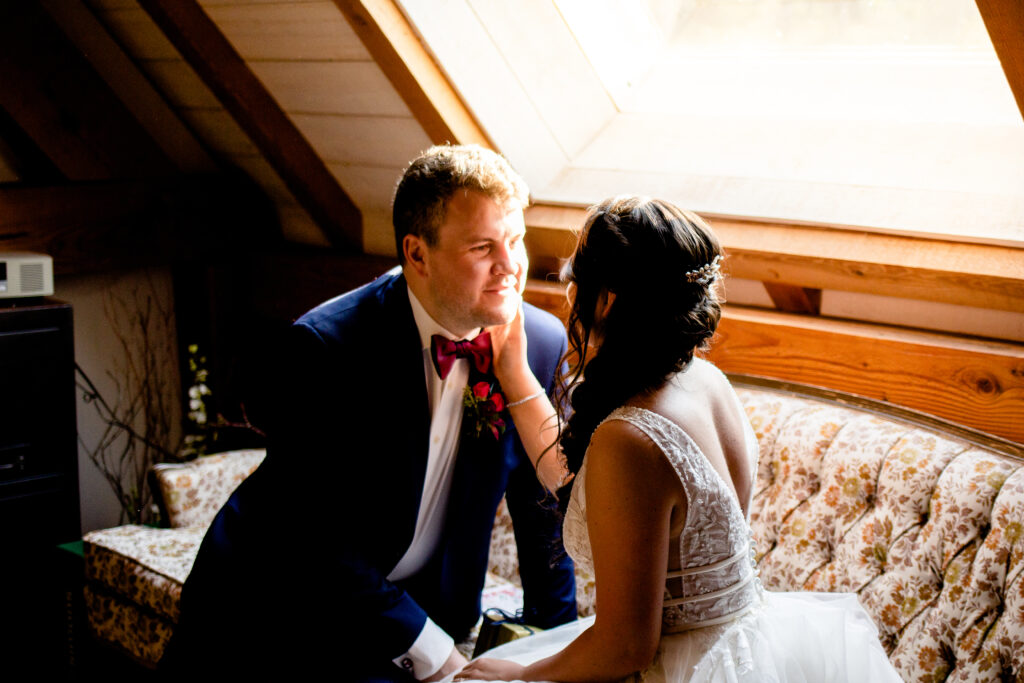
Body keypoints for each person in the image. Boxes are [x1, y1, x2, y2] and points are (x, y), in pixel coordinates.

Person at [159, 144, 577, 681]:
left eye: (516, 240)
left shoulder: (539, 344)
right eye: (482, 247)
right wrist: (433, 651)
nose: (510, 266)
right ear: (417, 254)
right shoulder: (326, 349)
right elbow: (312, 537)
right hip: (275, 603)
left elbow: (542, 507)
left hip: (423, 608)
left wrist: (554, 643)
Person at [452, 196, 903, 682]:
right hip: (749, 648)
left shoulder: (629, 438)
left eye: (576, 281)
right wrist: (517, 374)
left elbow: (625, 647)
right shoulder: (705, 382)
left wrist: (520, 677)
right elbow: (594, 487)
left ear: (607, 300)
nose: (570, 295)